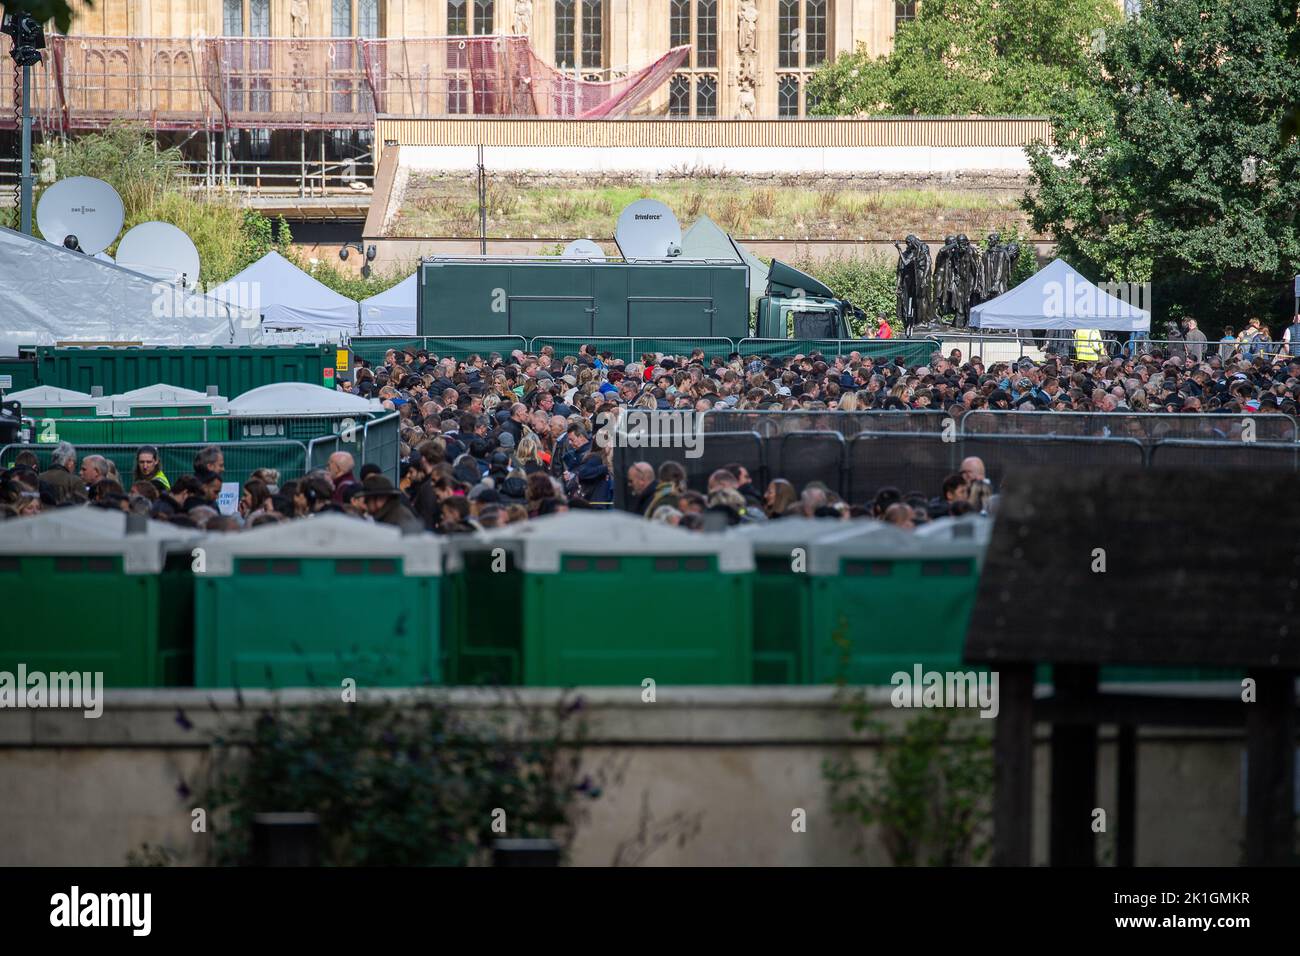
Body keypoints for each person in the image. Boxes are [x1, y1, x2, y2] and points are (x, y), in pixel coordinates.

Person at [356, 474, 423, 532]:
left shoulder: (399, 520)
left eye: (367, 500)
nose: (365, 503)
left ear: (380, 499)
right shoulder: (389, 516)